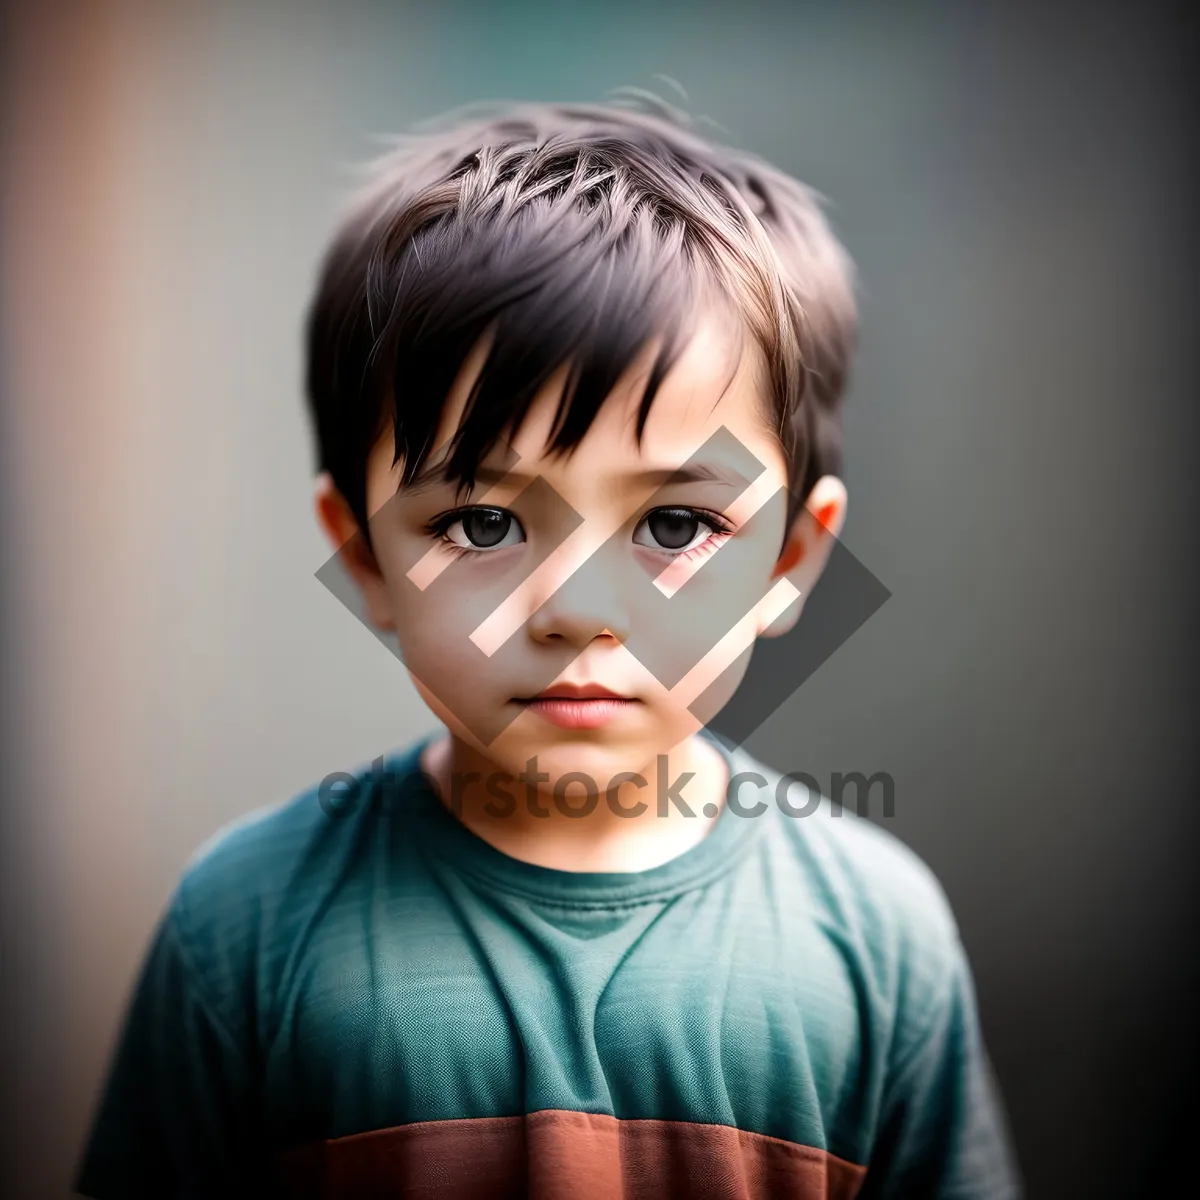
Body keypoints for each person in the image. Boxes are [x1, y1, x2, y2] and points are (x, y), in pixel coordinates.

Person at [75, 95, 1021, 1199]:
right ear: (368, 560)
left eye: (675, 525)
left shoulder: (876, 937)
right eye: (483, 523)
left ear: (789, 564)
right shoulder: (243, 926)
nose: (576, 611)